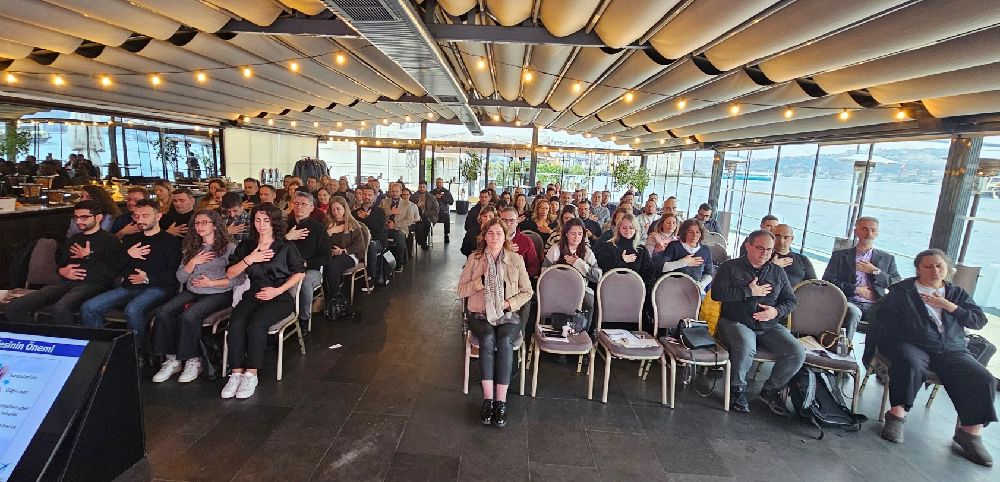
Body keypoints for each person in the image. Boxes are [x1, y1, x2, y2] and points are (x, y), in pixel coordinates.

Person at [872, 249, 994, 466]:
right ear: (918, 268)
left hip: (951, 348)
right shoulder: (903, 291)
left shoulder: (956, 293)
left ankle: (970, 433)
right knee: (910, 362)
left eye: (939, 266)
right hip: (912, 344)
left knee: (982, 377)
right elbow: (884, 320)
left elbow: (978, 321)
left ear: (947, 269)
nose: (934, 271)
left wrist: (949, 307)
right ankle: (897, 414)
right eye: (928, 266)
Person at [713, 229, 802, 415]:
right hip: (736, 321)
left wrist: (776, 311)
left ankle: (771, 390)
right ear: (748, 246)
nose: (765, 254)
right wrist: (749, 292)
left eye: (769, 250)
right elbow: (718, 294)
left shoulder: (777, 271)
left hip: (768, 324)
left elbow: (791, 300)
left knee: (796, 351)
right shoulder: (730, 267)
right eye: (760, 248)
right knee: (746, 345)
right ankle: (737, 389)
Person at [222, 204, 305, 399]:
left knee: (257, 324)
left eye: (266, 220)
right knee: (235, 324)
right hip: (253, 293)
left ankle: (251, 374)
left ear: (274, 222)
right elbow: (230, 272)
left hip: (280, 296)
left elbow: (300, 272)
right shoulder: (246, 246)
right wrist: (250, 258)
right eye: (258, 220)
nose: (261, 225)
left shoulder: (285, 246)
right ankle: (235, 373)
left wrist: (277, 290)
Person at [458, 218, 533, 428]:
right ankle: (488, 399)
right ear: (484, 236)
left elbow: (528, 291)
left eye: (499, 233)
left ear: (505, 236)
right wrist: (478, 282)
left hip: (507, 314)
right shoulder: (475, 259)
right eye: (490, 233)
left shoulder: (516, 259)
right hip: (480, 314)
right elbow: (461, 290)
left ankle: (501, 401)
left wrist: (510, 302)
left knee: (505, 340)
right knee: (488, 338)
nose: (494, 237)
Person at [0, 201, 123, 325]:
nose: (79, 221)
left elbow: (112, 273)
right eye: (76, 217)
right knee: (15, 306)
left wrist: (88, 257)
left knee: (61, 308)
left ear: (98, 218)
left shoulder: (111, 241)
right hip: (67, 283)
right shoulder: (73, 239)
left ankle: (69, 342)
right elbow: (61, 264)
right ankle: (36, 337)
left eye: (84, 217)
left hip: (95, 285)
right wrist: (62, 270)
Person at [152, 209, 239, 383]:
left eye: (205, 222)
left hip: (219, 292)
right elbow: (181, 277)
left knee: (189, 316)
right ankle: (172, 359)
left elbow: (237, 279)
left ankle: (193, 359)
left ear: (215, 225)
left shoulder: (229, 248)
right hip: (193, 290)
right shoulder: (191, 247)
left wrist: (211, 283)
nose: (200, 226)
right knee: (163, 312)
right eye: (197, 223)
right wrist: (193, 262)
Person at [80, 199, 182, 345]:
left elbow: (175, 275)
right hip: (129, 287)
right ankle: (101, 350)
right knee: (89, 307)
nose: (140, 220)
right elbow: (114, 268)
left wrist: (147, 278)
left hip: (158, 288)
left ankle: (138, 354)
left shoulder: (170, 241)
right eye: (137, 216)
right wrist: (128, 254)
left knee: (133, 310)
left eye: (145, 216)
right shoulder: (131, 240)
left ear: (158, 217)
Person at [822, 216, 900, 344]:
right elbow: (828, 281)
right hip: (849, 300)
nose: (869, 233)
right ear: (856, 231)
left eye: (873, 230)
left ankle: (875, 358)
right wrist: (856, 289)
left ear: (877, 233)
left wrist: (875, 271)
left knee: (893, 319)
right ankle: (842, 350)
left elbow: (896, 283)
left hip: (875, 304)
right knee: (853, 313)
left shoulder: (887, 258)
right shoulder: (840, 256)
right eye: (864, 229)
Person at [543, 218, 602, 329]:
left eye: (580, 234)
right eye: (573, 234)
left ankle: (584, 330)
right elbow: (544, 273)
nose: (576, 237)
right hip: (558, 289)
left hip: (580, 289)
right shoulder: (556, 249)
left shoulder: (586, 251)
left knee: (589, 299)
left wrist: (579, 263)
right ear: (566, 234)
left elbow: (597, 276)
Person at [286, 192, 332, 329]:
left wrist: (306, 263)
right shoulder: (286, 226)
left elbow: (326, 256)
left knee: (304, 282)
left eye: (304, 204)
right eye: (297, 203)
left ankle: (303, 320)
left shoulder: (318, 229)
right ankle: (284, 317)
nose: (299, 207)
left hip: (311, 269)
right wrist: (287, 238)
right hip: (287, 267)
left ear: (311, 208)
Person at [325, 197, 366, 319]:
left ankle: (334, 298)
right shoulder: (327, 223)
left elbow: (359, 245)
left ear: (344, 209)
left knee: (333, 266)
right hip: (330, 254)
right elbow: (321, 242)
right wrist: (330, 232)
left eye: (338, 209)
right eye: (333, 209)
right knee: (325, 264)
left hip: (350, 255)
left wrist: (343, 251)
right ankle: (328, 296)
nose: (335, 212)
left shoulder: (353, 224)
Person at [653, 219, 713, 290]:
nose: (695, 235)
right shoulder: (674, 246)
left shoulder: (705, 250)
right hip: (673, 287)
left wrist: (701, 285)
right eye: (691, 232)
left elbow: (709, 273)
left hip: (694, 289)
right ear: (684, 232)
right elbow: (661, 268)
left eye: (697, 232)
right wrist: (683, 262)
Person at [595, 212, 650, 281]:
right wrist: (621, 260)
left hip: (634, 288)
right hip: (611, 286)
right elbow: (600, 265)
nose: (628, 230)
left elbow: (648, 274)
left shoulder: (641, 250)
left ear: (636, 229)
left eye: (631, 228)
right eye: (624, 228)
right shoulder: (609, 246)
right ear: (619, 229)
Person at [380, 182, 417, 272]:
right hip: (385, 228)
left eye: (397, 191)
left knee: (400, 237)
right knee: (377, 237)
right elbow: (379, 215)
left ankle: (399, 263)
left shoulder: (408, 204)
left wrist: (395, 225)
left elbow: (409, 220)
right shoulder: (384, 202)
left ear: (400, 192)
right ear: (390, 192)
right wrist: (390, 212)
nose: (395, 193)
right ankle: (382, 262)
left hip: (400, 229)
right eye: (393, 191)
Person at [499, 206, 539, 277]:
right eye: (504, 220)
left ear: (517, 222)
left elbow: (534, 267)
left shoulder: (526, 241)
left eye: (512, 221)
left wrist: (520, 275)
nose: (508, 224)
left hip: (519, 281)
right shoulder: (493, 239)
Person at [410, 181, 439, 249]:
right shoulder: (413, 196)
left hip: (428, 216)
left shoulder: (432, 197)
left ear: (426, 187)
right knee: (419, 226)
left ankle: (423, 242)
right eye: (420, 187)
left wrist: (425, 213)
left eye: (423, 187)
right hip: (416, 215)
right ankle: (421, 241)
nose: (422, 188)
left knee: (427, 224)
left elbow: (436, 209)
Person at [430, 177, 454, 243]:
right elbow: (427, 201)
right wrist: (434, 197)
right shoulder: (432, 192)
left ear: (442, 183)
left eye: (440, 182)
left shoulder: (446, 192)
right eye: (438, 182)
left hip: (442, 211)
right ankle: (428, 233)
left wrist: (442, 197)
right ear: (436, 183)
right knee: (426, 216)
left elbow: (451, 202)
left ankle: (446, 234)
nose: (439, 184)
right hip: (433, 211)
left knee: (446, 216)